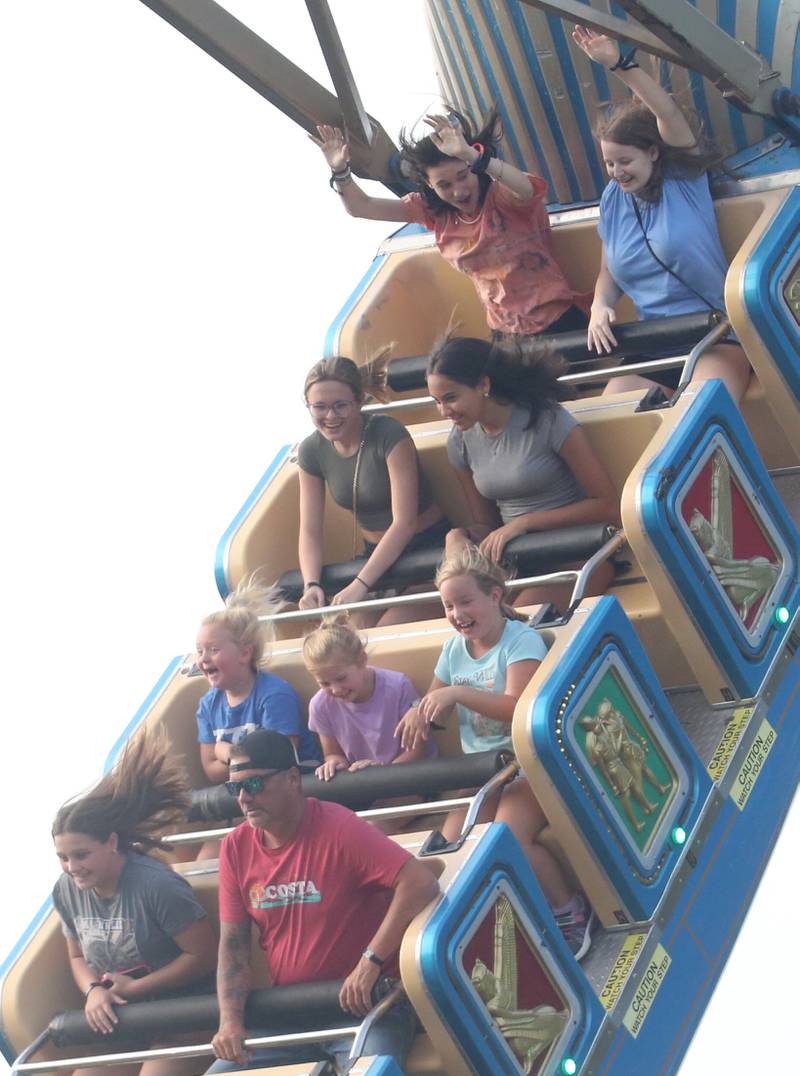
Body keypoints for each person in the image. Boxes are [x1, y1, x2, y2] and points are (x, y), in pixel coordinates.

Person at [395, 545, 595, 959]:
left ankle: (569, 910)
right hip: (484, 775)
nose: (456, 613)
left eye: (465, 601)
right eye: (448, 605)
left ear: (496, 597)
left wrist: (459, 693)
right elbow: (434, 704)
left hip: (526, 767)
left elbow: (516, 707)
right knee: (448, 853)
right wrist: (418, 714)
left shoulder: (519, 641)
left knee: (507, 839)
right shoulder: (454, 651)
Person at [206, 729, 440, 1072]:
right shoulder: (235, 848)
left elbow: (419, 882)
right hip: (291, 1014)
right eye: (234, 788)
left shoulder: (339, 827)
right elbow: (233, 946)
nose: (243, 798)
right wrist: (230, 1022)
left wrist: (370, 961)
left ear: (291, 780)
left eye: (253, 785)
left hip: (367, 1007)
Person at [573, 25, 751, 401]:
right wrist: (599, 305)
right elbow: (609, 271)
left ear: (652, 152)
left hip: (715, 333)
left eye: (625, 161)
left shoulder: (682, 178)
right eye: (609, 163)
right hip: (654, 340)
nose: (617, 172)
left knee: (700, 412)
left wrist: (619, 65)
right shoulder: (613, 200)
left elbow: (665, 111)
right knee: (615, 414)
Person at [312, 110, 589, 338]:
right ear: (430, 186)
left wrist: (472, 156)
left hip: (557, 321)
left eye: (462, 176)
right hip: (506, 333)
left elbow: (526, 189)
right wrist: (340, 171)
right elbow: (363, 208)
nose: (458, 191)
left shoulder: (503, 197)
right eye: (444, 184)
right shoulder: (435, 213)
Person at [52, 730, 217, 1076]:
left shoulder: (156, 885)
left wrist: (138, 988)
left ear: (111, 842)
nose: (72, 868)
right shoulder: (67, 890)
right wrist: (94, 990)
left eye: (81, 855)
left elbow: (203, 956)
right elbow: (77, 955)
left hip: (188, 1016)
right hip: (128, 1022)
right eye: (63, 858)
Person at [426, 335, 618, 610]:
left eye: (451, 398)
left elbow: (607, 506)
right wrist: (456, 537)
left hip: (579, 554)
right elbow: (486, 524)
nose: (444, 411)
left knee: (510, 622)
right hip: (518, 564)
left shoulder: (548, 419)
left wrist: (525, 523)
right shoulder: (459, 441)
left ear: (483, 385)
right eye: (436, 401)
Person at [297, 355, 447, 625]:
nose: (330, 416)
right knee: (352, 634)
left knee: (388, 628)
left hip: (426, 548)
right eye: (319, 407)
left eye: (340, 406)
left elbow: (404, 522)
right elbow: (309, 530)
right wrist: (311, 584)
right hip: (374, 556)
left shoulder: (388, 433)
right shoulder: (311, 450)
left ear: (360, 400)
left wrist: (360, 584)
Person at [196, 578, 320, 859]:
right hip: (245, 800)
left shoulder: (274, 695)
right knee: (206, 859)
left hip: (287, 798)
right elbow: (210, 769)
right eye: (200, 650)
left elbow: (278, 758)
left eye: (213, 650)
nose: (203, 659)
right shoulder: (207, 705)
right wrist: (229, 759)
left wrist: (225, 751)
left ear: (244, 652)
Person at [304, 618, 436, 781]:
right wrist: (334, 764)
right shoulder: (320, 706)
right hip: (361, 781)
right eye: (324, 683)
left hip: (408, 775)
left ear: (362, 661)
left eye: (341, 678)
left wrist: (382, 772)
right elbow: (332, 753)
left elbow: (417, 751)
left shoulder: (398, 687)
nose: (336, 689)